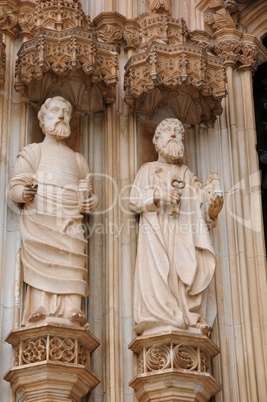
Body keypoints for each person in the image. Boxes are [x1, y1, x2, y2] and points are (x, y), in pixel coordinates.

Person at [8, 96, 98, 326]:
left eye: (66, 112)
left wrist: (89, 202)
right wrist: (23, 193)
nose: (61, 116)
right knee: (42, 262)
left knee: (72, 262)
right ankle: (40, 305)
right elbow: (16, 185)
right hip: (41, 217)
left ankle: (72, 309)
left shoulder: (78, 159)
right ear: (43, 118)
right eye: (55, 111)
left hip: (70, 221)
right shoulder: (32, 152)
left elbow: (85, 194)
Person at [129, 118, 223, 335]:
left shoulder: (187, 174)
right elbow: (133, 200)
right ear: (156, 139)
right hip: (157, 232)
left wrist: (213, 205)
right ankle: (162, 317)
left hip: (184, 234)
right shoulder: (148, 169)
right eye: (167, 131)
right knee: (162, 272)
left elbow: (204, 206)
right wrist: (158, 195)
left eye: (178, 132)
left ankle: (189, 316)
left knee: (185, 273)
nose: (173, 134)